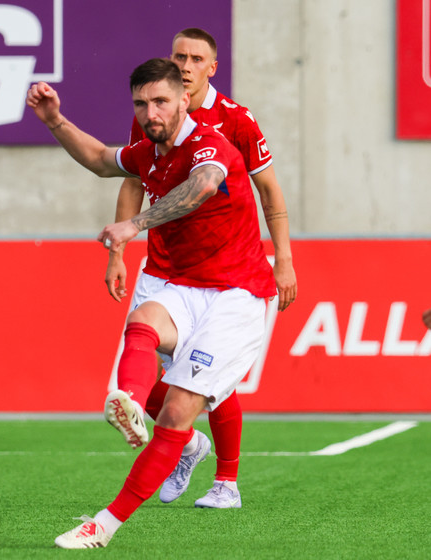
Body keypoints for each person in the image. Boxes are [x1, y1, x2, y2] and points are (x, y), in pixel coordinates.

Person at [26, 58, 276, 548]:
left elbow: (203, 186)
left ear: (185, 100)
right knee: (141, 322)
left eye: (161, 101)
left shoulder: (210, 145)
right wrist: (55, 120)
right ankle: (130, 404)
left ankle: (104, 525)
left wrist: (134, 225)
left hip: (237, 295)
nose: (150, 112)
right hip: (185, 285)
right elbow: (100, 158)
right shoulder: (148, 152)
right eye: (141, 103)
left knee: (179, 411)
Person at [105, 28, 298, 509]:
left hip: (222, 271)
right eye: (179, 56)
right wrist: (118, 252)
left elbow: (269, 190)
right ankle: (190, 445)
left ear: (212, 67)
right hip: (164, 266)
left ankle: (226, 481)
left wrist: (284, 259)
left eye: (195, 59)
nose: (185, 65)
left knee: (202, 376)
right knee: (144, 377)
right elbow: (133, 179)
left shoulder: (236, 120)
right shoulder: (155, 110)